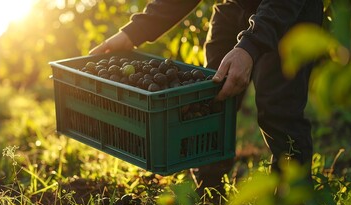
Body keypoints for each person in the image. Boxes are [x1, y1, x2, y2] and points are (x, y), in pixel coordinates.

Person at [90, 0, 323, 192]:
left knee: (279, 111)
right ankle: (208, 190)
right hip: (233, 7)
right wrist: (133, 32)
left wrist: (250, 46)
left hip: (288, 11)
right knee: (210, 100)